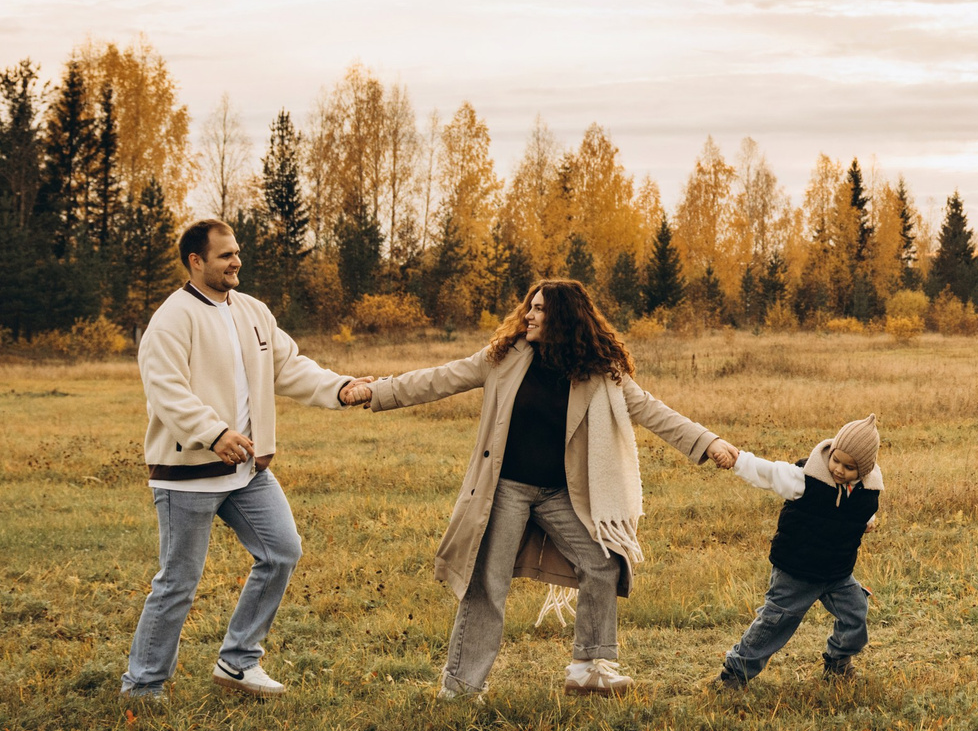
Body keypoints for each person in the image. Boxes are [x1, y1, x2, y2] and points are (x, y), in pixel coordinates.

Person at [354, 279, 739, 698]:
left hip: (561, 495)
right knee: (487, 583)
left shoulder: (599, 372)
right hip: (506, 489)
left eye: (539, 309)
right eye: (530, 307)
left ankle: (589, 669)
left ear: (564, 318)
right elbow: (438, 379)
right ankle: (461, 686)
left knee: (603, 563)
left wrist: (708, 442)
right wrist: (375, 391)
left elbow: (652, 410)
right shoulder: (504, 357)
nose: (529, 315)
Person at [124, 219, 374, 700]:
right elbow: (166, 390)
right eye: (225, 255)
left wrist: (340, 387)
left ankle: (237, 662)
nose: (236, 261)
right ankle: (143, 685)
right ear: (196, 261)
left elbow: (290, 367)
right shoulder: (172, 319)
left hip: (247, 470)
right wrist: (214, 433)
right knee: (178, 583)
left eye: (236, 252)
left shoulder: (253, 311)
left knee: (282, 551)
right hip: (187, 475)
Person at [710, 414, 882, 688]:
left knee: (856, 613)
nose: (839, 470)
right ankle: (735, 673)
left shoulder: (867, 491)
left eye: (849, 467)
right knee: (775, 623)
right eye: (836, 460)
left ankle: (838, 661)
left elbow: (859, 510)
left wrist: (868, 521)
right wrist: (739, 460)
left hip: (837, 573)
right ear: (830, 451)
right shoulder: (806, 479)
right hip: (796, 570)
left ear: (864, 470)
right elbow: (769, 472)